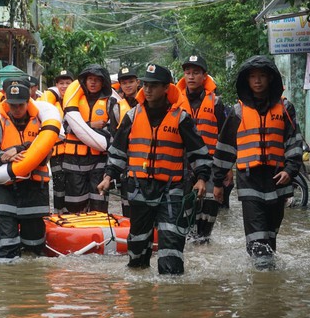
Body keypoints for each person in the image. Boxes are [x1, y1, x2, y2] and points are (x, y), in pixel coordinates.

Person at [97, 64, 211, 275]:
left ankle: (171, 297)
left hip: (172, 190)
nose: (148, 90)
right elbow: (118, 151)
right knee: (138, 250)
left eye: (154, 86)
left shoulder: (181, 118)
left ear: (166, 88)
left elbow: (199, 152)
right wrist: (108, 176)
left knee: (171, 247)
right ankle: (141, 298)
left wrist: (202, 179)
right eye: (146, 85)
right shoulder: (132, 116)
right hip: (140, 188)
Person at [212, 55, 303, 270]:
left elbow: (294, 142)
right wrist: (217, 182)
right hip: (249, 181)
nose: (258, 81)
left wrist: (290, 171)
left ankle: (268, 282)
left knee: (270, 236)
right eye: (253, 77)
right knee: (257, 239)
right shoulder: (238, 111)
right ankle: (263, 282)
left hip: (278, 180)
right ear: (247, 81)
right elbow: (225, 149)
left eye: (262, 76)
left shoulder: (285, 108)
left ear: (270, 79)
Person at [0, 83, 54, 259]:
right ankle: (6, 283)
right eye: (13, 105)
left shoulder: (43, 124)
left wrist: (19, 148)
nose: (17, 109)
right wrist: (4, 157)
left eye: (20, 104)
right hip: (6, 191)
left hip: (34, 191)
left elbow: (45, 152)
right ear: (7, 103)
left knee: (34, 249)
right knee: (6, 247)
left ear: (28, 102)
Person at [176, 54, 229, 243]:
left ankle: (204, 242)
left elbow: (225, 136)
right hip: (183, 164)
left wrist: (228, 169)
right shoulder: (175, 102)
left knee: (209, 208)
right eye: (188, 73)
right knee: (185, 208)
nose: (191, 77)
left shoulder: (216, 102)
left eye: (196, 73)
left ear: (204, 76)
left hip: (212, 164)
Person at [62, 64, 119, 213]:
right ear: (85, 81)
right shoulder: (73, 101)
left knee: (98, 203)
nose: (93, 83)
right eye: (90, 79)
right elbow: (65, 127)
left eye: (97, 80)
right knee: (75, 204)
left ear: (103, 83)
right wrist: (91, 125)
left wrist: (83, 130)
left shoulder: (110, 103)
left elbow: (111, 132)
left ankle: (98, 233)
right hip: (74, 160)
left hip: (98, 160)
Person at [43, 69, 74, 214]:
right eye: (61, 83)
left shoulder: (77, 103)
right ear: (56, 85)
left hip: (73, 152)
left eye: (68, 83)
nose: (65, 86)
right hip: (56, 153)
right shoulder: (51, 104)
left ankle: (72, 214)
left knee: (72, 184)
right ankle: (58, 213)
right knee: (58, 184)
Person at [116, 66, 141, 217]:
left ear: (138, 82)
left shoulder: (148, 104)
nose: (128, 85)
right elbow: (115, 138)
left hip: (144, 160)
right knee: (126, 201)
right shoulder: (116, 108)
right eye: (124, 83)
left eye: (131, 81)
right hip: (126, 163)